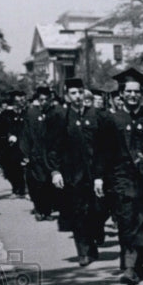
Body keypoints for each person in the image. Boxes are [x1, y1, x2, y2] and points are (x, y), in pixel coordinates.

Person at [94, 67, 143, 285]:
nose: (133, 95)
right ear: (121, 94)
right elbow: (101, 150)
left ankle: (138, 264)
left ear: (142, 94)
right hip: (121, 178)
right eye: (128, 91)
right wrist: (99, 177)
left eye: (137, 91)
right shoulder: (111, 119)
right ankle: (129, 267)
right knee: (128, 221)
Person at [45, 78, 104, 266]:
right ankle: (83, 251)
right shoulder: (61, 117)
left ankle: (92, 242)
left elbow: (104, 146)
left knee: (97, 211)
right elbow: (52, 147)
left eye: (80, 92)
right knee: (79, 212)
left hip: (96, 173)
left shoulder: (95, 115)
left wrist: (101, 174)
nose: (77, 97)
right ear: (67, 96)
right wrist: (55, 171)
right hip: (73, 174)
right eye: (73, 93)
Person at [20, 85, 58, 221]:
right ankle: (38, 208)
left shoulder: (53, 113)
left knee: (49, 183)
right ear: (38, 99)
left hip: (50, 155)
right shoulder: (31, 113)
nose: (44, 102)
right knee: (38, 183)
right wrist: (25, 154)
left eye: (46, 99)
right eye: (41, 99)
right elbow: (25, 135)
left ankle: (47, 211)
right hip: (35, 154)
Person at [0, 90, 27, 198]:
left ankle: (21, 189)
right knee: (10, 170)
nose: (21, 103)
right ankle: (16, 188)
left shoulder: (26, 113)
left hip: (23, 147)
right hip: (8, 149)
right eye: (18, 101)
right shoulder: (3, 116)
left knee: (22, 170)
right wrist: (7, 137)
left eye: (22, 100)